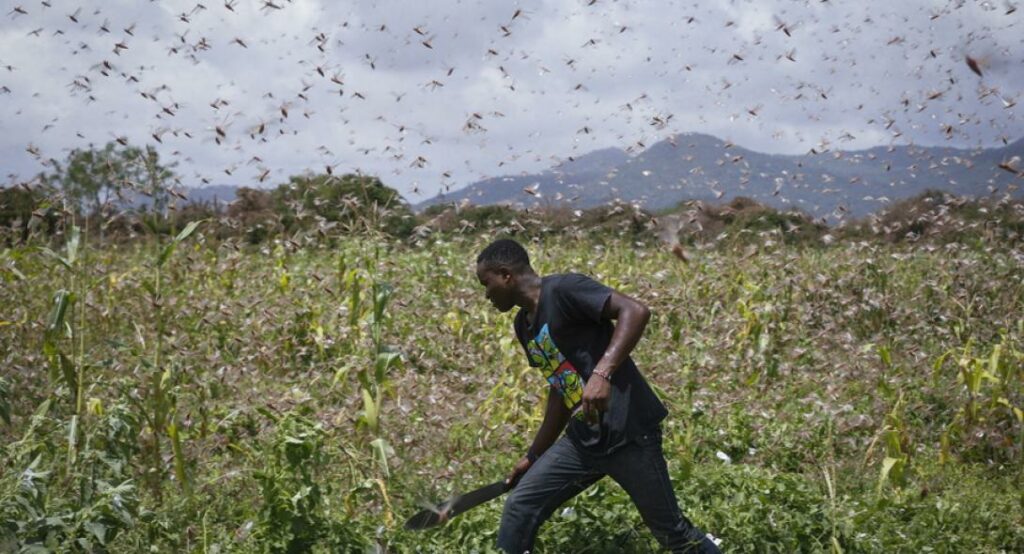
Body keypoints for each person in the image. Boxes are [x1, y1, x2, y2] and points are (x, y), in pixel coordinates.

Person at [474, 238, 720, 554]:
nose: (486, 294)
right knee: (521, 505)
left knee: (674, 533)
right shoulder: (524, 326)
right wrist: (534, 455)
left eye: (487, 283)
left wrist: (602, 372)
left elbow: (635, 310)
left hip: (628, 433)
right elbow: (560, 388)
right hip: (583, 440)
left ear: (505, 274)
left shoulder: (564, 290)